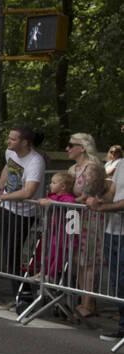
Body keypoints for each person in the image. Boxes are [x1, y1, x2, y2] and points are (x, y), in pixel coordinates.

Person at [0, 125, 46, 308]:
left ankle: (24, 295)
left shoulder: (35, 161)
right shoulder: (11, 152)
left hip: (23, 212)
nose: (8, 141)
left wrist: (1, 197)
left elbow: (29, 192)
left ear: (25, 143)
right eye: (9, 138)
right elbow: (8, 166)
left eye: (13, 139)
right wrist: (0, 185)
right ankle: (19, 295)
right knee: (8, 254)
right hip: (7, 207)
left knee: (14, 254)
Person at [67, 134, 107, 316]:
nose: (67, 148)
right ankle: (84, 300)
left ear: (82, 147)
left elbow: (86, 195)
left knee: (89, 260)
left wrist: (64, 201)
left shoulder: (92, 168)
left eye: (71, 145)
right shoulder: (72, 169)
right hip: (74, 218)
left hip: (91, 219)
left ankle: (88, 303)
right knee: (78, 260)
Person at [86, 170, 124, 342]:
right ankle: (122, 326)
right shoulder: (122, 164)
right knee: (117, 282)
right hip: (113, 231)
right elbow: (113, 193)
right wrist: (100, 200)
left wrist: (102, 207)